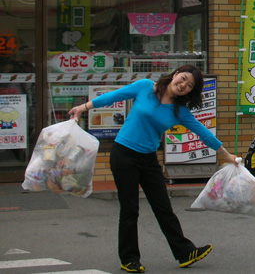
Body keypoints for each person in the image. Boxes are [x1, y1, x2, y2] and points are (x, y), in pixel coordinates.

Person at [69, 65, 239, 273]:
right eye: (183, 78)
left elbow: (203, 133)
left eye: (189, 86)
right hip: (124, 154)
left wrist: (226, 155)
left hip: (148, 159)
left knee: (163, 207)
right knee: (130, 209)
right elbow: (114, 96)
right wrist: (83, 108)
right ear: (175, 74)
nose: (183, 85)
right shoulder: (145, 87)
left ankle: (184, 252)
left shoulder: (180, 111)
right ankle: (129, 259)